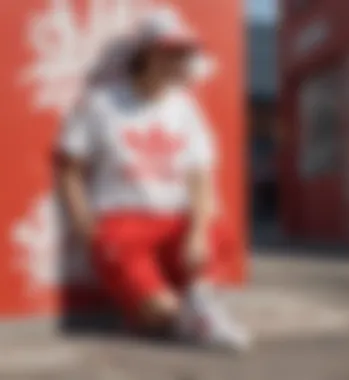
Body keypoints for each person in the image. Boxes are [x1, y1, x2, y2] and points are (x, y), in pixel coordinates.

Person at [56, 11, 250, 351]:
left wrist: (198, 232)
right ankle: (189, 315)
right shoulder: (100, 104)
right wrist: (84, 224)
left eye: (185, 53)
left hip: (175, 218)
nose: (182, 61)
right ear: (145, 54)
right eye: (171, 52)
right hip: (121, 221)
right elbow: (69, 166)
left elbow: (200, 177)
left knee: (217, 231)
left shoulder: (186, 107)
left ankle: (201, 305)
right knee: (157, 315)